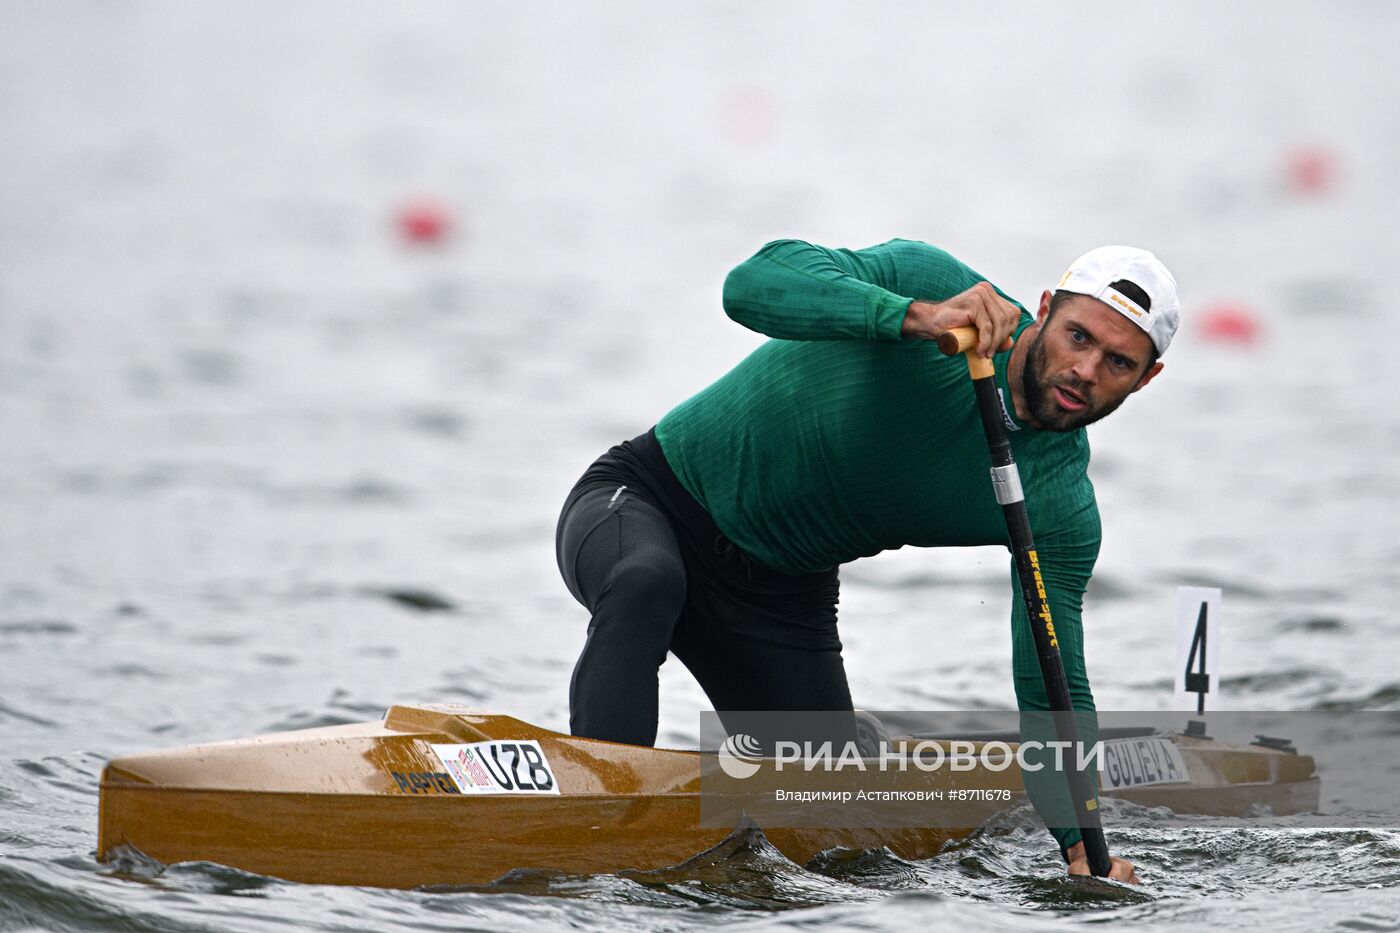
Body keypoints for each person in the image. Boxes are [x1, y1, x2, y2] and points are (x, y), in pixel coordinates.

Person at [555, 237, 1179, 883]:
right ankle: (598, 812)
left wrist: (1083, 846)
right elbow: (751, 283)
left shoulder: (1059, 508)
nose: (1085, 370)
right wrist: (916, 316)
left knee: (834, 833)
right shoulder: (937, 288)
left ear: (1147, 377)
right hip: (646, 501)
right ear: (1045, 308)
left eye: (1118, 362)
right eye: (1077, 336)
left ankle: (800, 779)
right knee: (645, 580)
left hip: (777, 600)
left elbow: (1053, 686)